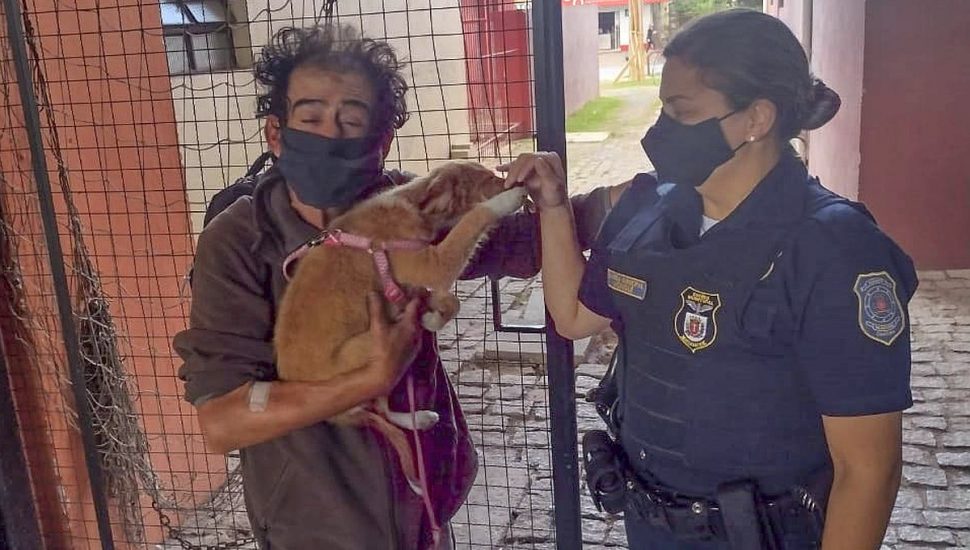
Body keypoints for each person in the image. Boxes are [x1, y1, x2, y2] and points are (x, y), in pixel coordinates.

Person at [173, 23, 616, 550]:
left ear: (380, 142)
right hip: (316, 530)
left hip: (423, 507)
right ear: (276, 134)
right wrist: (366, 380)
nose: (331, 136)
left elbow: (522, 239)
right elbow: (223, 420)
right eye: (311, 118)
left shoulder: (403, 208)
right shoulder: (241, 240)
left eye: (351, 121)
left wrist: (581, 198)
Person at [502, 9, 915, 549]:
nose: (661, 131)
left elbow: (868, 471)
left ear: (755, 119)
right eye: (663, 109)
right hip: (650, 526)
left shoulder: (836, 250)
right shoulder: (647, 210)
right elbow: (574, 317)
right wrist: (553, 207)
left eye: (682, 111)